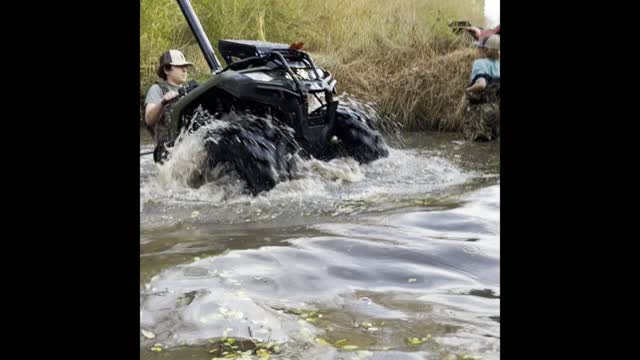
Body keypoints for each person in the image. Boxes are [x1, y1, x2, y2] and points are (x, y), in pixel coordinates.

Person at [144, 50, 194, 149]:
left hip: (189, 145)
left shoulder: (190, 89)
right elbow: (149, 120)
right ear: (166, 69)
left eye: (185, 66)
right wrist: (163, 102)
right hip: (167, 150)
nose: (185, 70)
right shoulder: (156, 89)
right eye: (179, 66)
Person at [461, 35, 500, 141]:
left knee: (475, 145)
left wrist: (468, 90)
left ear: (486, 49)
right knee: (493, 146)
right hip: (497, 112)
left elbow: (481, 84)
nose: (478, 50)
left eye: (480, 47)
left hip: (481, 111)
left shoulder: (480, 63)